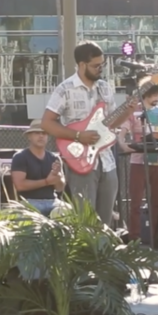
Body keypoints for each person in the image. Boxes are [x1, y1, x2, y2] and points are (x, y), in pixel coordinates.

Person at [41, 41, 118, 226]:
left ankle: (103, 254)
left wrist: (129, 111)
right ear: (82, 64)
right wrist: (77, 136)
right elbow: (46, 123)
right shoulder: (65, 89)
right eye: (96, 65)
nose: (100, 69)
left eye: (102, 65)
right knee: (85, 219)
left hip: (107, 160)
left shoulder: (105, 87)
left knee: (105, 220)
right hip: (79, 160)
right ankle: (85, 254)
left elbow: (112, 122)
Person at [117, 83, 158, 243]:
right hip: (138, 162)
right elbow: (123, 131)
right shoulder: (135, 112)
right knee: (136, 202)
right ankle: (135, 237)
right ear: (147, 94)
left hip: (157, 162)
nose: (156, 99)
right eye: (154, 95)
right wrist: (122, 143)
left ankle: (157, 237)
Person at [10, 121, 66, 215]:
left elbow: (60, 188)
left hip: (53, 201)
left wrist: (57, 177)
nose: (41, 136)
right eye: (37, 133)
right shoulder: (20, 157)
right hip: (29, 202)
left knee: (68, 211)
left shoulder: (55, 158)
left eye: (44, 133)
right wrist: (47, 181)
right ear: (29, 136)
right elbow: (20, 186)